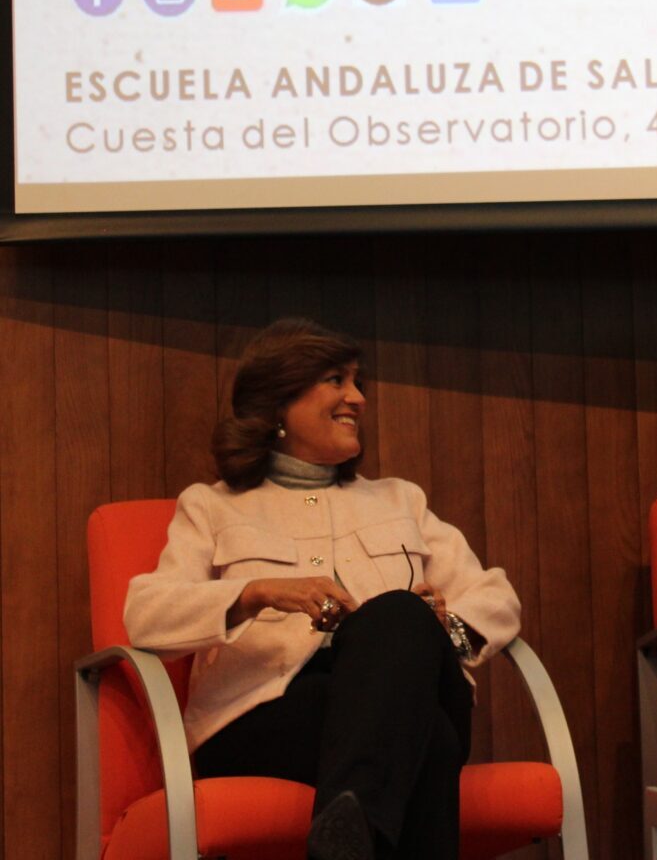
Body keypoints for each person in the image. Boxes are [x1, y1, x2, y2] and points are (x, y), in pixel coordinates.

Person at [125, 317, 520, 860]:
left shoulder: (400, 499)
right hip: (270, 718)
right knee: (431, 739)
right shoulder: (212, 506)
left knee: (400, 616)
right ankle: (350, 830)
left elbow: (496, 597)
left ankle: (346, 838)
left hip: (403, 695)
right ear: (278, 402)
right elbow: (146, 613)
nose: (357, 398)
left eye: (358, 383)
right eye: (337, 380)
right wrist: (258, 592)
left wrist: (440, 629)